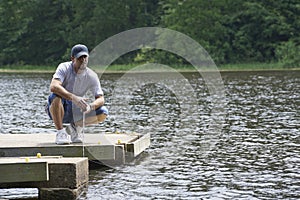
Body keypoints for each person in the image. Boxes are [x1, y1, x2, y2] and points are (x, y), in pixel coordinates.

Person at [46, 44, 108, 144]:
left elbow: (101, 98)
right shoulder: (64, 67)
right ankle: (61, 132)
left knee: (103, 112)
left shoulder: (92, 75)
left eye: (85, 57)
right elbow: (53, 86)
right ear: (73, 59)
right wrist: (74, 98)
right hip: (59, 107)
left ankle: (74, 127)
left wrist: (90, 106)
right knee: (55, 96)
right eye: (80, 58)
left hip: (77, 110)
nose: (83, 60)